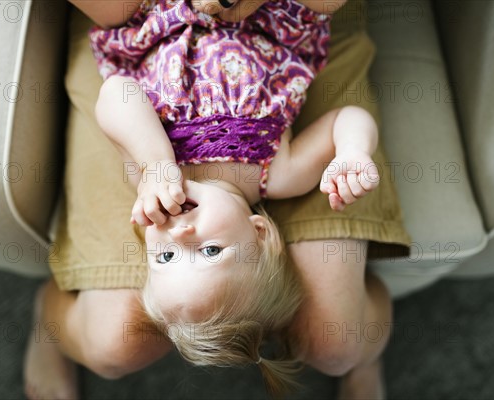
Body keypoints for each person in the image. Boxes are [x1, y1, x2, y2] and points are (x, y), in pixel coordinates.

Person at [24, 0, 411, 399]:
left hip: (160, 18)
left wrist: (155, 161)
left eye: (166, 258)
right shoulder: (278, 174)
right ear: (260, 232)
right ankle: (369, 344)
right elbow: (345, 119)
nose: (181, 235)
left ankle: (48, 315)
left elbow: (115, 94)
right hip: (274, 19)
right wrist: (351, 152)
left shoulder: (151, 174)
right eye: (209, 251)